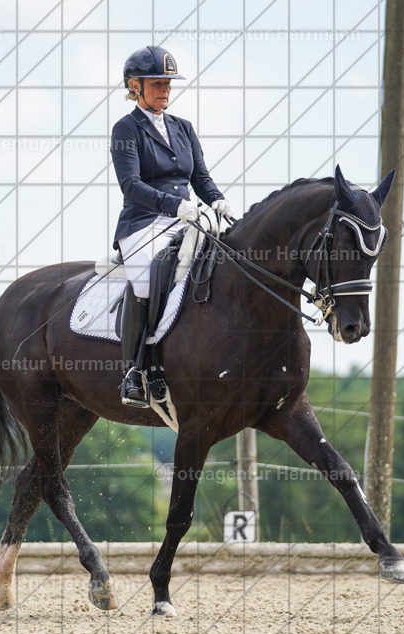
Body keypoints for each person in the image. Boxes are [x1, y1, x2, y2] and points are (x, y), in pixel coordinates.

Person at [110, 45, 234, 408]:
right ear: (135, 86)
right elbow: (131, 185)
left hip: (187, 218)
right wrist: (174, 205)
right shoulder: (126, 129)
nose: (165, 89)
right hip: (143, 223)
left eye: (168, 83)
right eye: (156, 83)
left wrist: (217, 200)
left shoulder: (183, 128)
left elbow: (200, 177)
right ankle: (134, 370)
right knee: (146, 278)